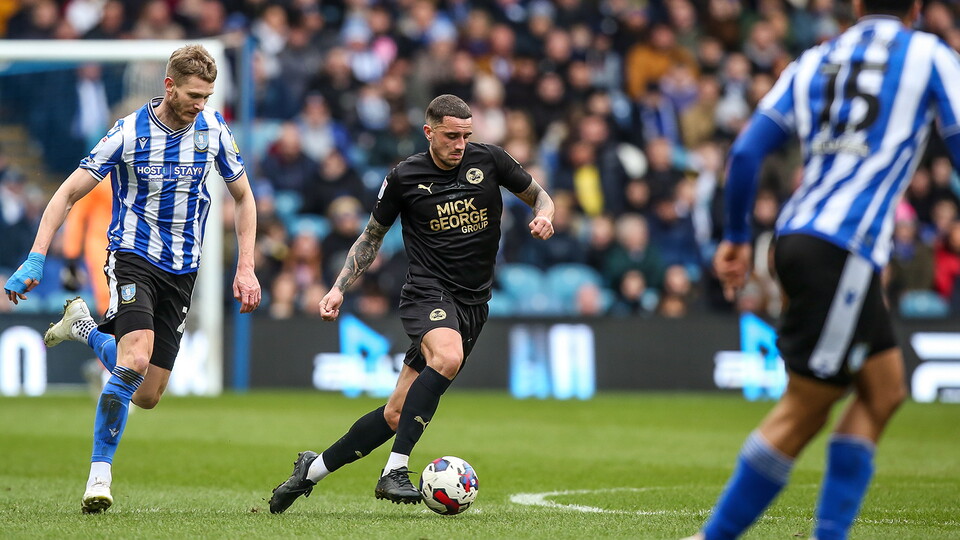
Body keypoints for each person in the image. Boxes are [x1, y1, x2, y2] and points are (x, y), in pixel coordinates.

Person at [687, 1, 960, 539]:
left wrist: (738, 237)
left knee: (884, 391)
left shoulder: (815, 59)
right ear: (918, 10)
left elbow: (745, 153)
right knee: (807, 406)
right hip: (843, 246)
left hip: (797, 239)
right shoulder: (930, 55)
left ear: (857, 6)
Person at [2, 44, 261, 514]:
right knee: (135, 355)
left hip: (184, 269)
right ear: (168, 85)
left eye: (207, 96)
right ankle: (99, 477)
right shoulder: (128, 132)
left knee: (147, 393)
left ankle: (82, 327)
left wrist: (245, 265)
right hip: (132, 256)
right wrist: (36, 257)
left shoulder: (214, 130)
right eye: (192, 94)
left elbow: (244, 198)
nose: (200, 104)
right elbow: (67, 193)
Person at [268, 94, 555, 513]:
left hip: (474, 302)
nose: (460, 144)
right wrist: (338, 288)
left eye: (466, 136)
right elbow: (371, 237)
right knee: (448, 356)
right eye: (451, 136)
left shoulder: (491, 160)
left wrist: (545, 215)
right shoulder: (405, 176)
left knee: (395, 413)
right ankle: (394, 471)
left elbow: (541, 196)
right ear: (429, 132)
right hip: (428, 291)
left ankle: (310, 472)